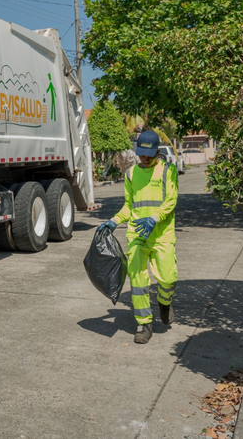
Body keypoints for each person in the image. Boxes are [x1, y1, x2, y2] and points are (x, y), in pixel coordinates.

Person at [97, 130, 178, 344]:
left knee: (168, 278)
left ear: (157, 152)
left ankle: (164, 302)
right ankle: (144, 324)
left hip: (162, 234)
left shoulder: (168, 170)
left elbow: (171, 200)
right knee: (138, 280)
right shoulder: (131, 174)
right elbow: (129, 206)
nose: (145, 158)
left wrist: (154, 218)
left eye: (149, 155)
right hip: (137, 234)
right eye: (142, 155)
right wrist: (114, 221)